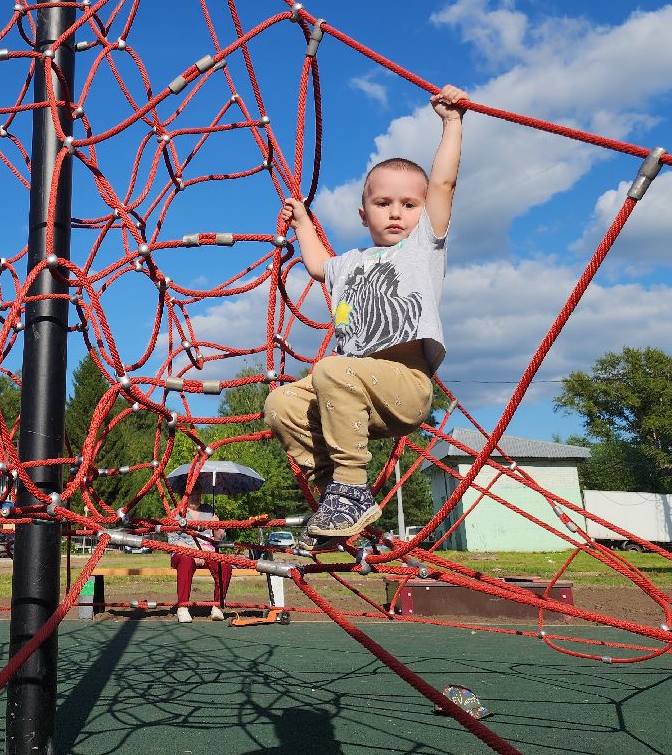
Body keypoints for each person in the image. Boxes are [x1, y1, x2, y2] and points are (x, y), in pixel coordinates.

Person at [265, 84, 467, 541]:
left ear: (424, 212)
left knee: (331, 368)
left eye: (409, 205)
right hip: (351, 396)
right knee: (281, 404)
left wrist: (452, 123)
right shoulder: (349, 263)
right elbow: (317, 265)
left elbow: (443, 184)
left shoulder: (422, 248)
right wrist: (302, 222)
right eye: (383, 204)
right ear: (363, 214)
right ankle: (335, 497)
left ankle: (353, 489)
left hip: (405, 387)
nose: (396, 213)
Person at [166, 489, 231, 623]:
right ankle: (183, 607)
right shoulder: (176, 513)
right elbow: (173, 541)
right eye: (192, 494)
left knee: (225, 565)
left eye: (198, 494)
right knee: (186, 560)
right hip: (183, 552)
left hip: (207, 551)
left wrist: (217, 526)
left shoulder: (209, 511)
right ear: (184, 496)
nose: (196, 497)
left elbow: (219, 538)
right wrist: (194, 553)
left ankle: (217, 606)